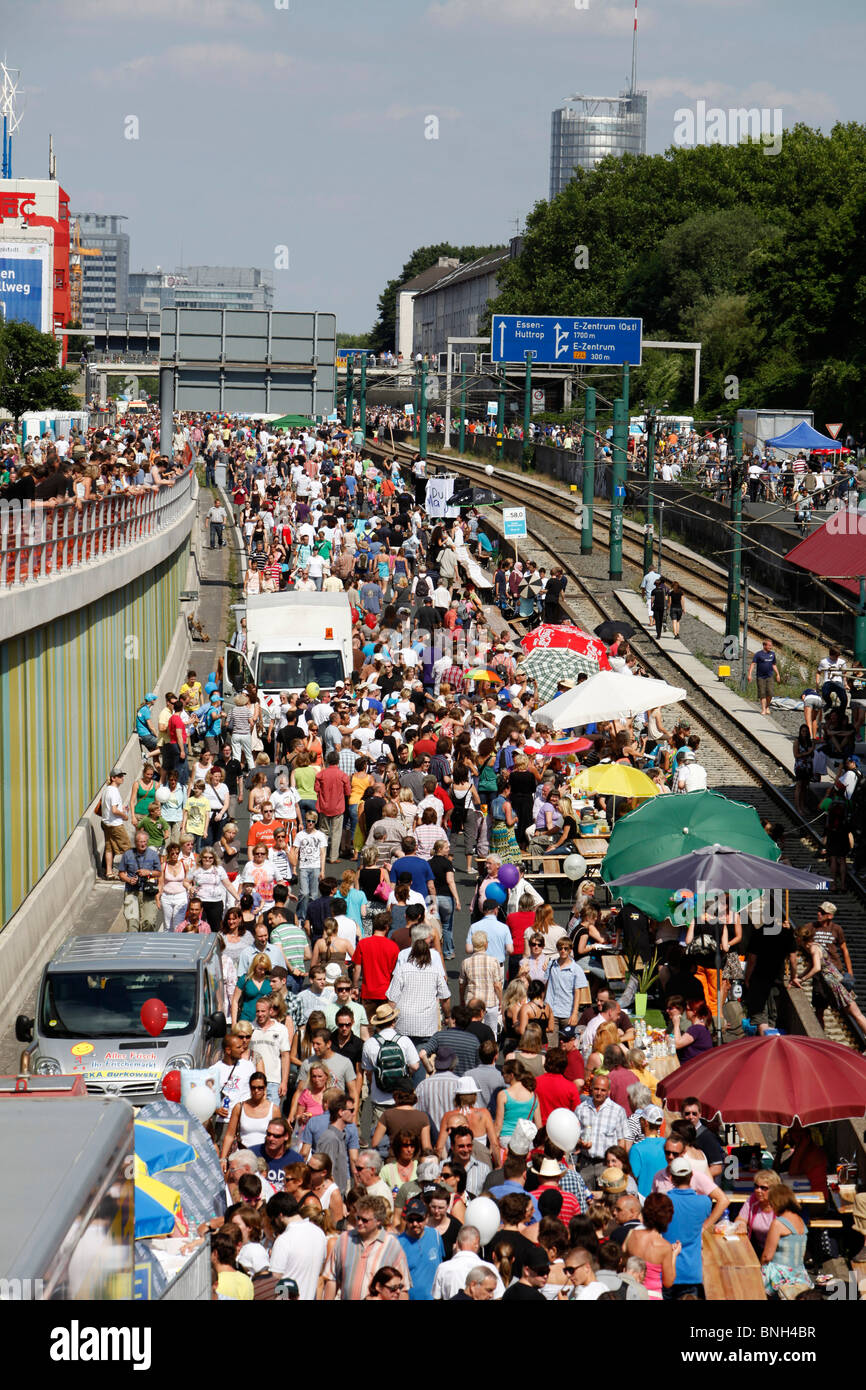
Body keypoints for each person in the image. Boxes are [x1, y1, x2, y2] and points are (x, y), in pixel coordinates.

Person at [322, 1197, 411, 1300]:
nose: (359, 1223)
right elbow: (332, 1279)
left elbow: (403, 1288)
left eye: (365, 1220)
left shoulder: (392, 1245)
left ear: (378, 1221)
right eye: (358, 1218)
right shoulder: (344, 1240)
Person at [663, 1157, 712, 1300]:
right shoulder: (704, 1202)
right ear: (691, 1176)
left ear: (671, 1178)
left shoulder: (663, 1202)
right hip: (692, 1272)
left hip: (667, 1270)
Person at [623, 1193, 680, 1301]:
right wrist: (674, 1255)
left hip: (630, 1293)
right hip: (652, 1295)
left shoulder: (631, 1235)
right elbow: (668, 1282)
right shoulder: (664, 1246)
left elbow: (622, 1261)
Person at [761, 1184, 813, 1296]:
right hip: (799, 1274)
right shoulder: (800, 1220)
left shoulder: (778, 1223)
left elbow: (767, 1256)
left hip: (780, 1275)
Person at [432, 1226, 505, 1300]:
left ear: (457, 1243)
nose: (490, 1295)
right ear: (477, 1244)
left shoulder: (443, 1268)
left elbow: (437, 1297)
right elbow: (498, 1297)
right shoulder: (490, 1269)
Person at [397, 1195, 444, 1300]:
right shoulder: (397, 1244)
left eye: (419, 1219)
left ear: (427, 1218)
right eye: (410, 1220)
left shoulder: (435, 1235)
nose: (415, 1224)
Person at [748, 638, 781, 716]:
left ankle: (767, 707)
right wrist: (749, 674)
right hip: (760, 677)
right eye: (769, 645)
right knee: (762, 693)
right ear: (764, 645)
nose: (771, 647)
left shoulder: (772, 654)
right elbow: (753, 664)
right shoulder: (758, 654)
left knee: (770, 693)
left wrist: (778, 674)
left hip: (770, 676)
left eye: (771, 645)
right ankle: (763, 709)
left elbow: (774, 664)